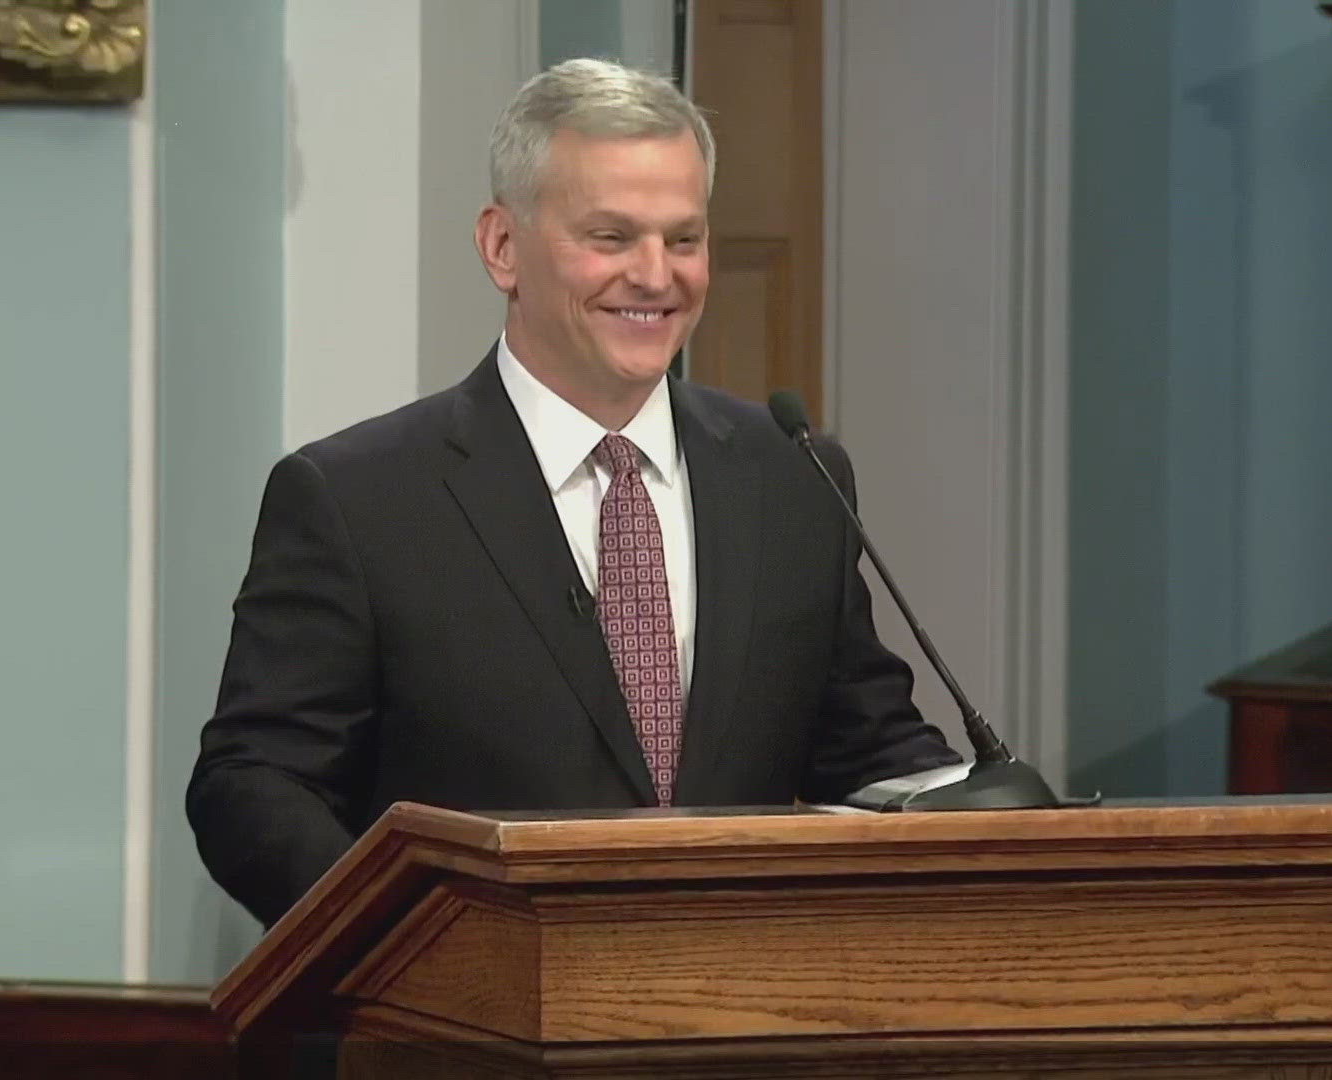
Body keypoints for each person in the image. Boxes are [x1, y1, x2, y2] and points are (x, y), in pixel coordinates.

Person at [187, 58, 961, 929]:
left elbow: (866, 746)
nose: (656, 276)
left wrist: (987, 808)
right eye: (611, 237)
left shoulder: (793, 476)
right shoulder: (357, 499)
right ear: (502, 247)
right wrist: (399, 946)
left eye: (683, 238)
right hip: (461, 1031)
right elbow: (253, 785)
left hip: (732, 1018)